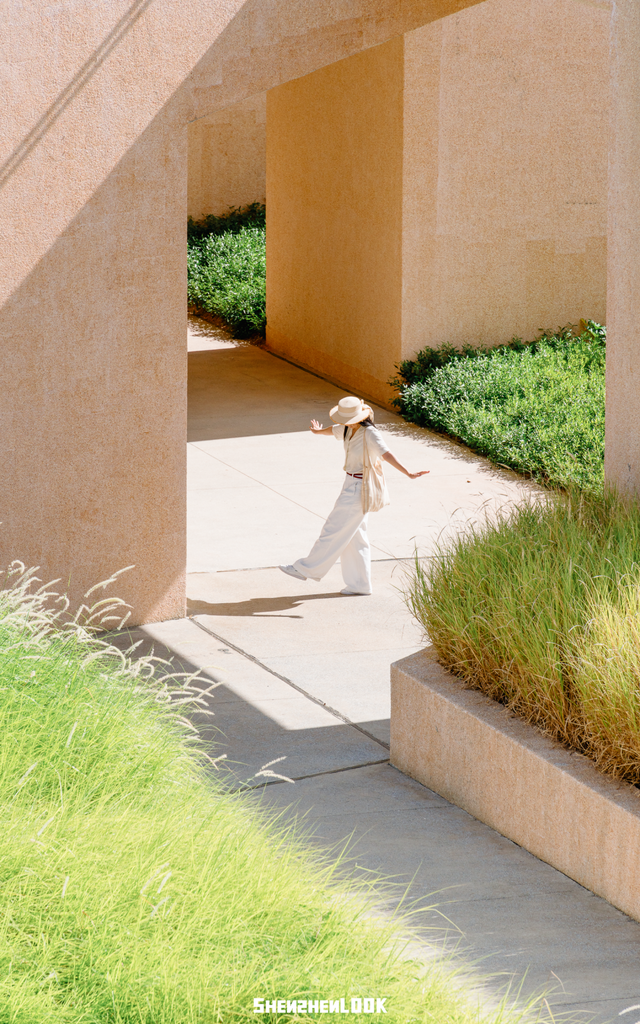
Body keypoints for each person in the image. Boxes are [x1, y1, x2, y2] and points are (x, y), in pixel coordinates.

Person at [280, 396, 429, 596]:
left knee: (333, 529)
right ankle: (360, 585)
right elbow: (331, 430)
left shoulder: (370, 433)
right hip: (350, 483)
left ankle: (305, 569)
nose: (342, 421)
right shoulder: (347, 429)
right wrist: (317, 431)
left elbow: (386, 454)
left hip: (360, 487)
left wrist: (408, 473)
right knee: (355, 538)